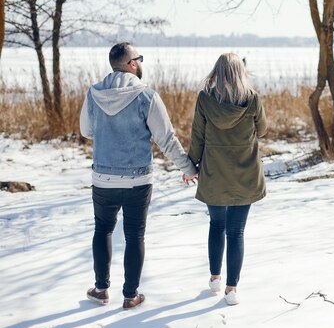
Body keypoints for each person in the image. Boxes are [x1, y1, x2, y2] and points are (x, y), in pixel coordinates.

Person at [80, 42, 198, 310]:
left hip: (102, 179)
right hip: (137, 181)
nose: (141, 63)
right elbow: (166, 139)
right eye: (139, 58)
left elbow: (86, 130)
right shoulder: (147, 96)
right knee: (134, 235)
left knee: (102, 230)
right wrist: (188, 168)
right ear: (132, 64)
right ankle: (130, 295)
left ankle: (100, 290)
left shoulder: (93, 94)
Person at [186, 53, 267, 306]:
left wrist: (190, 166)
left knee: (216, 225)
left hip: (214, 173)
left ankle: (214, 278)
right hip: (246, 173)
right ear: (241, 72)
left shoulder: (205, 98)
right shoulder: (252, 99)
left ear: (216, 73)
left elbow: (197, 135)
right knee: (236, 231)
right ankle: (231, 290)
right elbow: (262, 130)